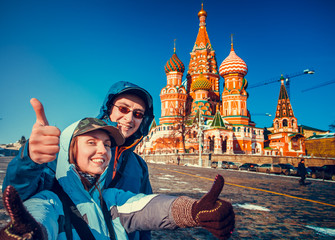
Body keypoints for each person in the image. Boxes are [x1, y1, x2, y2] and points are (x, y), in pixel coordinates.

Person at [0, 117, 235, 240]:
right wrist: (28, 233)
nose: (102, 151)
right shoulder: (51, 200)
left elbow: (148, 207)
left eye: (107, 144)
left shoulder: (110, 198)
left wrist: (194, 211)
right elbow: (40, 217)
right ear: (68, 150)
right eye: (91, 142)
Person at [3, 82, 155, 239]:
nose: (129, 118)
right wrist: (29, 160)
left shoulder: (139, 165)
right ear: (109, 108)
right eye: (123, 109)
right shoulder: (69, 149)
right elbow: (22, 198)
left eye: (138, 114)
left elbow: (144, 213)